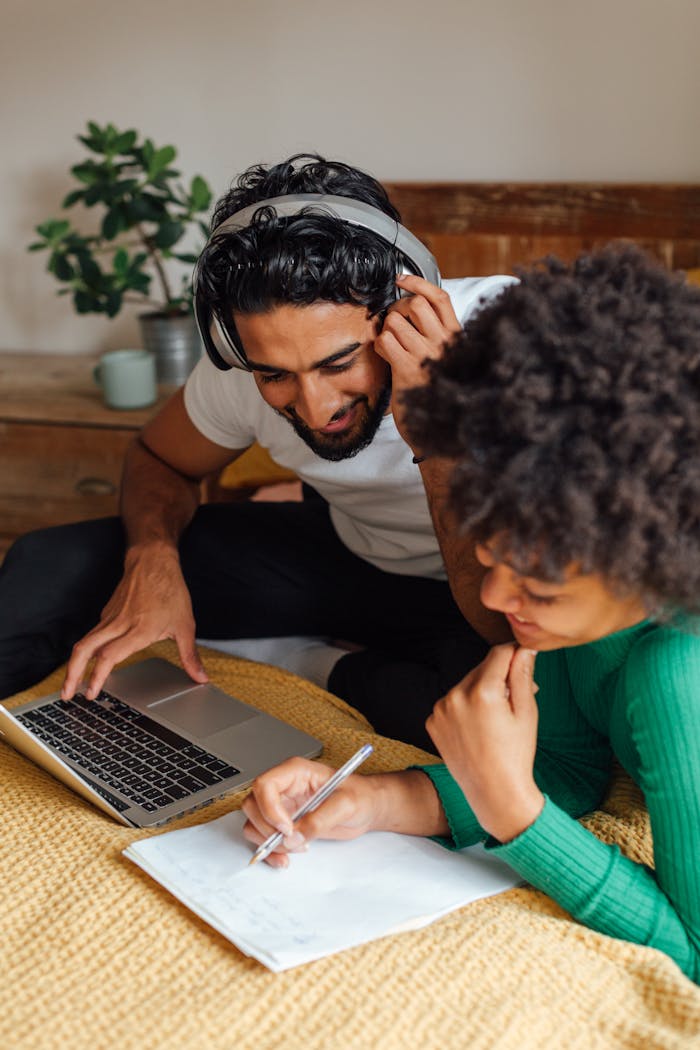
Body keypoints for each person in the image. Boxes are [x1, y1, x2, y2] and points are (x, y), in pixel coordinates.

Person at [241, 245, 700, 983]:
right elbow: (568, 767)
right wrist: (374, 800)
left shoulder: (681, 676)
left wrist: (517, 815)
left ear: (655, 568)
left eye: (538, 591)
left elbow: (697, 956)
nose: (490, 601)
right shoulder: (581, 593)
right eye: (490, 560)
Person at [0, 154, 513, 749]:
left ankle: (310, 663)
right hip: (342, 558)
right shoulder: (241, 364)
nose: (316, 408)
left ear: (404, 310)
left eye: (339, 363)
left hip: (478, 589)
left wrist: (439, 428)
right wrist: (153, 557)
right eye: (276, 376)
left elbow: (502, 615)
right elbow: (158, 458)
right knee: (46, 560)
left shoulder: (517, 339)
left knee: (484, 729)